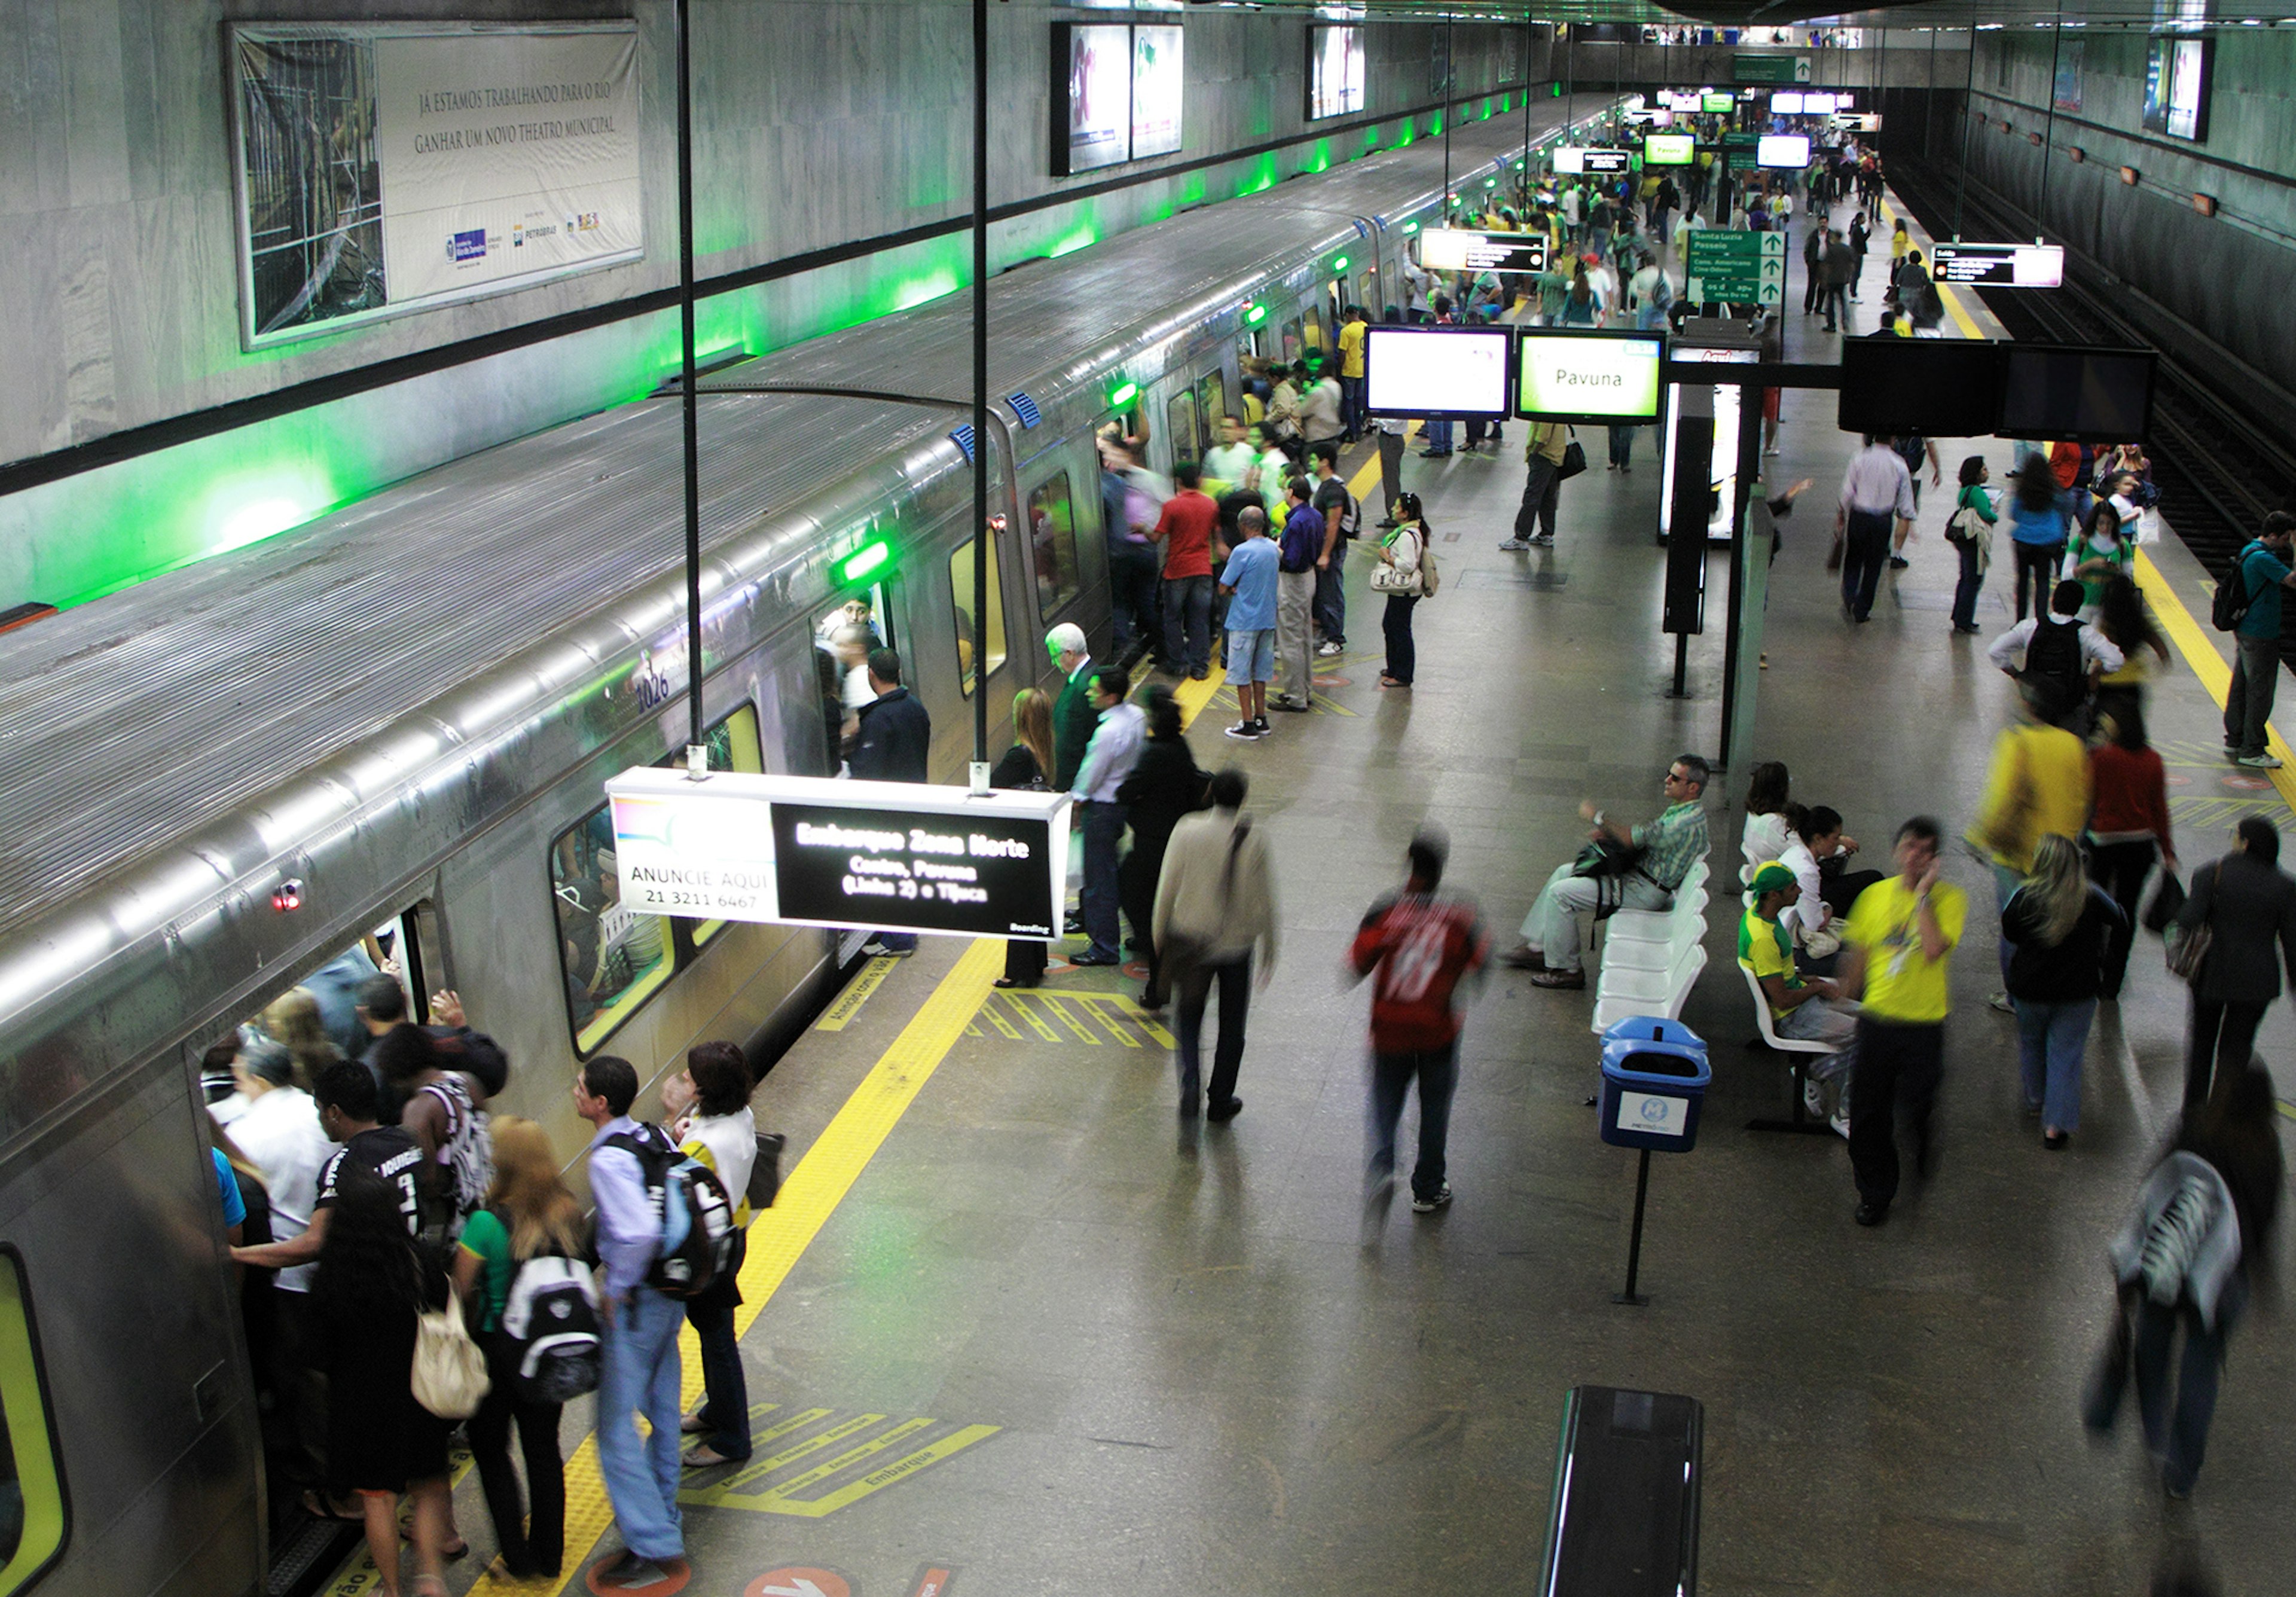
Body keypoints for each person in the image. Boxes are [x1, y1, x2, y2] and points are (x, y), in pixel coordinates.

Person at [2087, 1065, 2283, 1499]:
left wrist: (2130, 1255)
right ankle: (2182, 1470)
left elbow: (2155, 1189)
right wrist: (2265, 1289)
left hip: (2170, 1267)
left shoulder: (2193, 1128)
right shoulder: (2266, 1150)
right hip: (2224, 1279)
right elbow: (2264, 1226)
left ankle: (2155, 1434)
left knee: (2152, 1350)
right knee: (2201, 1368)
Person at [314, 1169, 455, 1597]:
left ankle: (391, 1590)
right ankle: (429, 1578)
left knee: (378, 1499)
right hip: (421, 1394)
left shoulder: (332, 1277)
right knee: (428, 1485)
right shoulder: (420, 1260)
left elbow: (319, 1353)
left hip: (363, 1405)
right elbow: (444, 1311)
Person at [453, 1117, 580, 1579]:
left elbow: (461, 1288)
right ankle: (550, 1558)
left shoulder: (486, 1223)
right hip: (549, 1349)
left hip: (496, 1353)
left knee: (492, 1451)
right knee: (544, 1453)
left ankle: (518, 1558)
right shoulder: (565, 1209)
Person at [578, 1055, 687, 1587]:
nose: (575, 1093)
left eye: (581, 1088)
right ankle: (665, 1513)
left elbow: (639, 1233)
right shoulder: (651, 1135)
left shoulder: (607, 1161)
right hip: (672, 1292)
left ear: (600, 1103)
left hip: (640, 1300)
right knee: (664, 1411)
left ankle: (650, 1540)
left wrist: (615, 1288)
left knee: (615, 1427)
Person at [1835, 817, 1967, 1227]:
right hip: (1878, 1021)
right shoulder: (1873, 897)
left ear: (1935, 860)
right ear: (1897, 850)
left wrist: (1923, 896)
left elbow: (1932, 948)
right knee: (1868, 1113)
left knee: (1918, 1103)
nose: (1915, 857)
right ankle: (1875, 1192)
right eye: (1910, 847)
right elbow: (1859, 957)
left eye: (1925, 851)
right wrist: (1845, 996)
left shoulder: (1950, 899)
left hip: (1924, 1024)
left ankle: (1923, 1138)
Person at [1351, 830, 1491, 1214]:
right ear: (1441, 870)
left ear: (1408, 865)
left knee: (1384, 1100)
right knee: (1434, 1109)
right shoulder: (1459, 915)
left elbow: (1358, 962)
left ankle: (1382, 1168)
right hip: (1437, 1031)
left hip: (1389, 1029)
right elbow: (1481, 960)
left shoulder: (1386, 910)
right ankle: (1428, 1187)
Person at [219, 1035, 334, 1500]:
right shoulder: (318, 1110)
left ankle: (327, 1477)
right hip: (335, 1264)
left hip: (287, 1274)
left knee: (304, 1381)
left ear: (259, 1080)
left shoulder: (247, 1136)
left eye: (242, 1079)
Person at [1500, 755, 1714, 990]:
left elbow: (1633, 837)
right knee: (1564, 873)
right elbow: (1645, 838)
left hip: (1643, 891)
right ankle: (1539, 948)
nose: (1667, 780)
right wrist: (1613, 835)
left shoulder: (1683, 822)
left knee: (1561, 894)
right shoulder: (1684, 813)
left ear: (1692, 787)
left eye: (1675, 778)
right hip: (1640, 879)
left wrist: (1598, 817)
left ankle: (1567, 969)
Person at [1153, 768, 1278, 1121]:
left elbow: (1166, 890)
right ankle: (1221, 1098)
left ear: (1210, 793)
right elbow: (1267, 900)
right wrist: (1271, 949)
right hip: (1237, 947)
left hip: (1192, 941)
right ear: (1243, 798)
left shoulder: (1187, 829)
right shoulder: (1256, 838)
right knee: (1232, 1024)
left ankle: (1190, 1080)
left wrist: (1159, 936)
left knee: (1189, 1016)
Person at [661, 1043, 757, 1470]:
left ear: (703, 1090)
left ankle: (734, 1437)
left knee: (718, 1341)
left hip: (710, 1249)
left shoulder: (704, 1146)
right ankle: (716, 1411)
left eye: (688, 1078)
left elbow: (670, 1177)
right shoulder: (739, 1115)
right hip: (733, 1229)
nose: (682, 1079)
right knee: (714, 1333)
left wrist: (669, 1121)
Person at [1968, 682, 2093, 1004]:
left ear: (2027, 706)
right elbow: (2082, 801)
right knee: (2053, 924)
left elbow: (2003, 797)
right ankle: (2051, 986)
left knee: (2016, 926)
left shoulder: (2016, 741)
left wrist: (1980, 837)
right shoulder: (2074, 745)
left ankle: (2017, 996)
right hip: (2058, 855)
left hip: (2017, 855)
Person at [2002, 836, 2123, 1149]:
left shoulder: (2024, 896)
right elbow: (2121, 920)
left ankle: (2035, 1098)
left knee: (2031, 1042)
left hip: (2030, 990)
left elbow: (2010, 933)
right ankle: (2055, 1127)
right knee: (2065, 1056)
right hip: (2077, 993)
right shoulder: (2091, 895)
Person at [2172, 816, 2296, 1109]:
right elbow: (2292, 943)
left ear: (2245, 843)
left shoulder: (2211, 874)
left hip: (2210, 975)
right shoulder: (2285, 887)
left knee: (2202, 1044)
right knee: (2236, 1050)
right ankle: (2223, 1115)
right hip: (2256, 983)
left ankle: (2194, 1114)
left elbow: (2189, 919)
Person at [1740, 862, 1858, 1131]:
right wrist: (1816, 988)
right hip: (1792, 1018)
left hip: (1802, 1000)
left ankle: (1814, 1073)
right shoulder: (1763, 940)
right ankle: (1845, 1114)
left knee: (1875, 1018)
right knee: (1864, 1035)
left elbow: (1781, 975)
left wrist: (1808, 979)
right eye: (1792, 888)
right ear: (1773, 895)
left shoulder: (1762, 919)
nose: (1798, 891)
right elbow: (1781, 1000)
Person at [1118, 685, 1208, 1012]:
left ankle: (1157, 981)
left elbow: (1128, 791)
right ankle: (1155, 956)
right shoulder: (1181, 748)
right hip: (1176, 839)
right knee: (1161, 907)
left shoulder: (1154, 754)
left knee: (1137, 900)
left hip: (1152, 845)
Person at [2087, 703, 2176, 1001]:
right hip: (2140, 847)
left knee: (2095, 906)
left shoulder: (2102, 757)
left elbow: (2088, 797)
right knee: (2126, 911)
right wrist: (2167, 850)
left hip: (2103, 843)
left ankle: (2093, 966)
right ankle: (2113, 982)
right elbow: (2159, 809)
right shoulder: (2153, 760)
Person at [847, 648, 932, 958]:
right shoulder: (915, 707)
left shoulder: (880, 718)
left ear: (872, 674)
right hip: (915, 798)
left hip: (888, 810)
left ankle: (899, 940)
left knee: (890, 871)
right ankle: (903, 930)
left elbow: (868, 770)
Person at [1070, 663, 1146, 967]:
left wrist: (1075, 806)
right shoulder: (1137, 717)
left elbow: (1089, 778)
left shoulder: (1106, 733)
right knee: (1110, 874)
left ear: (1111, 697)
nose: (1089, 694)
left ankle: (1104, 947)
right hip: (1122, 806)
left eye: (1095, 691)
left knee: (1099, 881)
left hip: (1100, 811)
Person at [2219, 511, 2296, 769]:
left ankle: (2235, 738)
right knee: (2260, 692)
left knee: (2241, 686)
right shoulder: (2263, 558)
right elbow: (2293, 581)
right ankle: (2252, 749)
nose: (2286, 543)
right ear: (2273, 536)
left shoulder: (2250, 549)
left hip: (2246, 630)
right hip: (2261, 633)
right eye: (2285, 539)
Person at [1985, 580, 2124, 719]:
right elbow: (2116, 660)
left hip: (2036, 706)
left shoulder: (2030, 626)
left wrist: (2016, 675)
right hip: (2070, 705)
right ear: (2078, 605)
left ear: (2053, 601)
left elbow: (1996, 651)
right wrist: (2097, 672)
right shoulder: (2086, 634)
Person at [993, 688, 1057, 990]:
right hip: (1036, 835)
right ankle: (1035, 964)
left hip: (1016, 836)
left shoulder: (1018, 754)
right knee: (1033, 902)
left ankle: (1015, 971)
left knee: (1016, 905)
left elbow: (993, 785)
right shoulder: (1044, 749)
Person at [1151, 460, 1221, 681]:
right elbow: (1216, 536)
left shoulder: (1172, 506)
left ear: (1179, 482)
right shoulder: (1211, 505)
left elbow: (1156, 537)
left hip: (1177, 571)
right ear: (1199, 481)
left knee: (1172, 618)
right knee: (1199, 620)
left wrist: (1142, 529)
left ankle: (1178, 663)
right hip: (1203, 569)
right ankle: (1200, 667)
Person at [1835, 433, 1915, 624]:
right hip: (1882, 520)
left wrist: (1841, 513)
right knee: (1874, 565)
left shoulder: (1859, 458)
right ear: (1893, 440)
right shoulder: (1899, 464)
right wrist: (1908, 518)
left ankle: (1849, 593)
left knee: (1854, 557)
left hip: (1859, 516)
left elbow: (1847, 491)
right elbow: (1905, 503)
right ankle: (1862, 610)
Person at [1218, 506, 1280, 741]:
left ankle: (1247, 723)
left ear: (1243, 526)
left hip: (1244, 620)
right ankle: (1261, 719)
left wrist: (1233, 589)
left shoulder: (1242, 552)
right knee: (1261, 672)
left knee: (1242, 674)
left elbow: (1224, 586)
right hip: (1267, 619)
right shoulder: (1273, 550)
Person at [1100, 444, 1160, 668]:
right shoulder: (1118, 482)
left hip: (1116, 552)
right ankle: (1159, 639)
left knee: (1119, 600)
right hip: (1138, 548)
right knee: (1146, 598)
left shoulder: (1097, 487)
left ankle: (1121, 644)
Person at [2092, 573, 2170, 740]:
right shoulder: (2139, 621)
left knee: (2102, 731)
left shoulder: (2105, 621)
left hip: (2107, 684)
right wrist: (2160, 665)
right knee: (2131, 731)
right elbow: (2160, 648)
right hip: (2133, 684)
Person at [1270, 478, 1321, 713]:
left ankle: (1295, 696)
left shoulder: (1297, 521)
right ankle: (1305, 689)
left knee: (1290, 640)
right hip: (1309, 577)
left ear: (1292, 492)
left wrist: (1276, 549)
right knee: (1304, 636)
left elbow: (1290, 559)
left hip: (1293, 582)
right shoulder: (1314, 516)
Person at [2004, 451, 2073, 623]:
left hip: (2023, 540)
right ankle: (2041, 619)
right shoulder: (2052, 489)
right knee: (2043, 580)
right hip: (2047, 540)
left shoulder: (2022, 490)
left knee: (2023, 581)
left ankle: (2020, 620)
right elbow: (2066, 506)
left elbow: (2013, 514)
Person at [1375, 492, 1428, 689]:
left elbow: (1407, 565)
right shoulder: (1407, 531)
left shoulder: (1406, 536)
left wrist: (1388, 557)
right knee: (1390, 625)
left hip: (1404, 592)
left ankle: (1403, 674)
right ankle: (1394, 667)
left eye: (1397, 507)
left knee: (1400, 630)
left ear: (1405, 514)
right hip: (1399, 592)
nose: (1393, 510)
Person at [1309, 443, 1354, 658]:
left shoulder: (1333, 489)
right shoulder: (1323, 486)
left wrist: (1326, 553)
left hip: (1332, 550)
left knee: (1331, 594)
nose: (1310, 463)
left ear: (1325, 462)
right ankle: (1327, 632)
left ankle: (1336, 638)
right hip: (1324, 550)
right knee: (1323, 593)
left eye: (1313, 459)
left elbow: (1333, 524)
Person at [1946, 455, 1998, 635]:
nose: (1987, 472)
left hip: (1962, 538)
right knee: (1974, 579)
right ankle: (1965, 620)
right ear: (1976, 474)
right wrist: (1995, 515)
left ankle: (1959, 616)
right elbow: (1986, 514)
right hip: (1974, 538)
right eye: (1984, 469)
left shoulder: (1965, 491)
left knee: (1965, 578)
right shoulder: (1978, 493)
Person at [1045, 622, 1097, 793]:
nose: (1054, 663)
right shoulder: (1087, 677)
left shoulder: (1084, 688)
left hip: (1074, 783)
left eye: (1055, 656)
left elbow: (1074, 743)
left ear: (1069, 654)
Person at [1502, 421, 1570, 551]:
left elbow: (1543, 437)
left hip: (1544, 455)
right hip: (1556, 455)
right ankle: (1547, 534)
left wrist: (1534, 452)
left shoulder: (1544, 410)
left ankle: (1521, 537)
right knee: (1548, 496)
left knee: (1532, 497)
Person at [1739, 761, 1793, 879]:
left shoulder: (1753, 814)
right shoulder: (1775, 823)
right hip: (1781, 883)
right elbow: (1803, 853)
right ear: (1782, 789)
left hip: (1765, 877)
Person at [1336, 307, 1368, 439]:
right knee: (1359, 402)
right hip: (1362, 370)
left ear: (1348, 315)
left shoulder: (1346, 331)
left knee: (1349, 402)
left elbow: (1343, 352)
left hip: (1349, 371)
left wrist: (1340, 367)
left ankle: (1352, 431)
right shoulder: (1365, 326)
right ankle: (1360, 430)